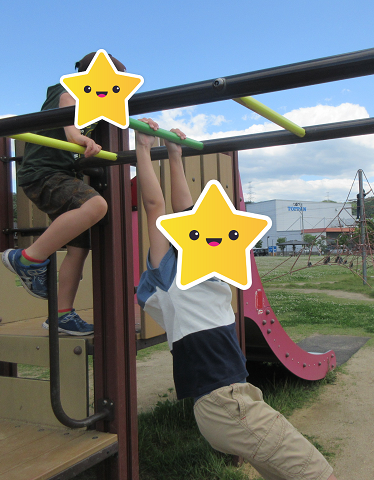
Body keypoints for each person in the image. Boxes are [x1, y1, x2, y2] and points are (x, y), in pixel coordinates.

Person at [135, 118, 337, 480]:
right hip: (225, 406)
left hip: (239, 398)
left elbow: (186, 213)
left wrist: (175, 154)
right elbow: (155, 206)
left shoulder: (213, 276)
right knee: (319, 474)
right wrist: (144, 148)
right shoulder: (171, 280)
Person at [2, 52, 124, 335]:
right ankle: (27, 259)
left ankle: (62, 314)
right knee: (96, 206)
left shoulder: (98, 104)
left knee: (79, 248)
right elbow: (67, 102)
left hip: (62, 174)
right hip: (44, 172)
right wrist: (75, 135)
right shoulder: (69, 89)